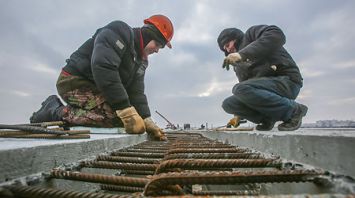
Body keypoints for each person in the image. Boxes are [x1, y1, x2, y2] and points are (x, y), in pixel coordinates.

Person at [30, 14, 174, 140]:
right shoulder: (119, 32)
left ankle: (77, 113)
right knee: (114, 117)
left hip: (98, 87)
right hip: (74, 81)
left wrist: (146, 119)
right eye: (158, 44)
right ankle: (54, 110)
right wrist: (124, 109)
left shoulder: (141, 61)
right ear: (150, 35)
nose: (157, 50)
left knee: (122, 118)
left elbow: (136, 93)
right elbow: (104, 67)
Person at [217, 25, 307, 131]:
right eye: (225, 49)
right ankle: (267, 118)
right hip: (264, 90)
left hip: (287, 82)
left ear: (236, 38)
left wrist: (243, 54)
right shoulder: (238, 65)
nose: (228, 49)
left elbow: (277, 34)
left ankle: (294, 111)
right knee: (229, 104)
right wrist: (238, 115)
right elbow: (245, 88)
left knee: (239, 88)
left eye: (228, 44)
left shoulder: (251, 35)